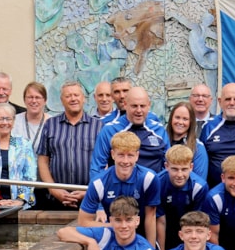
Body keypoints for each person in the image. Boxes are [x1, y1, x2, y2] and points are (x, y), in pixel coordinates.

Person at [78, 131, 160, 248]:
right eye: (121, 155)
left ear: (137, 155)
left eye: (130, 155)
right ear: (113, 154)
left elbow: (150, 217)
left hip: (140, 237)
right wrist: (114, 225)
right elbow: (83, 222)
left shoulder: (149, 178)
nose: (125, 161)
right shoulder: (99, 183)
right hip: (111, 239)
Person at [36, 81, 103, 210]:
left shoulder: (98, 126)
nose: (73, 99)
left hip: (90, 197)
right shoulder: (50, 125)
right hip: (56, 200)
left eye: (76, 95)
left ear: (84, 98)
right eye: (68, 96)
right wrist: (54, 189)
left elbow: (104, 164)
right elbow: (43, 160)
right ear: (62, 100)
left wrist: (89, 191)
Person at [91, 87, 170, 177]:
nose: (139, 110)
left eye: (142, 106)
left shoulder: (159, 130)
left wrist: (159, 186)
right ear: (125, 104)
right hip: (119, 189)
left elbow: (169, 165)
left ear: (149, 105)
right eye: (134, 106)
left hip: (152, 188)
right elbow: (97, 169)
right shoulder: (109, 130)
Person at [155, 145, 208, 250]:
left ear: (191, 167)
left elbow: (197, 221)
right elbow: (160, 220)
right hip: (166, 228)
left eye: (184, 169)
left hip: (189, 228)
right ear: (166, 166)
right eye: (174, 169)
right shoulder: (157, 183)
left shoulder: (199, 187)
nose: (180, 174)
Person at [165, 101, 208, 180]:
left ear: (191, 122)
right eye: (177, 117)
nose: (180, 122)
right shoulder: (162, 142)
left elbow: (199, 181)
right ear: (171, 118)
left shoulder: (198, 148)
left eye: (185, 119)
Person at [11, 81, 50, 152]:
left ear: (45, 100)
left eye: (37, 97)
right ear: (24, 100)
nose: (34, 101)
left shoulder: (52, 123)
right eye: (30, 97)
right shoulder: (14, 121)